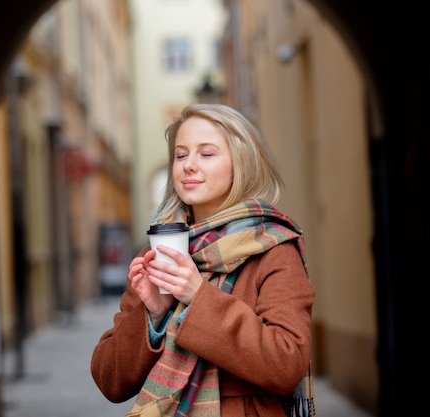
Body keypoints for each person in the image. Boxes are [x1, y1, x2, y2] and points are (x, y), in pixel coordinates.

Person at [91, 103, 316, 417]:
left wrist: (199, 298)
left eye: (206, 154)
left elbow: (286, 363)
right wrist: (154, 315)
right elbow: (109, 380)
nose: (189, 166)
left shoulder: (273, 248)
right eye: (181, 155)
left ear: (240, 164)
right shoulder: (156, 253)